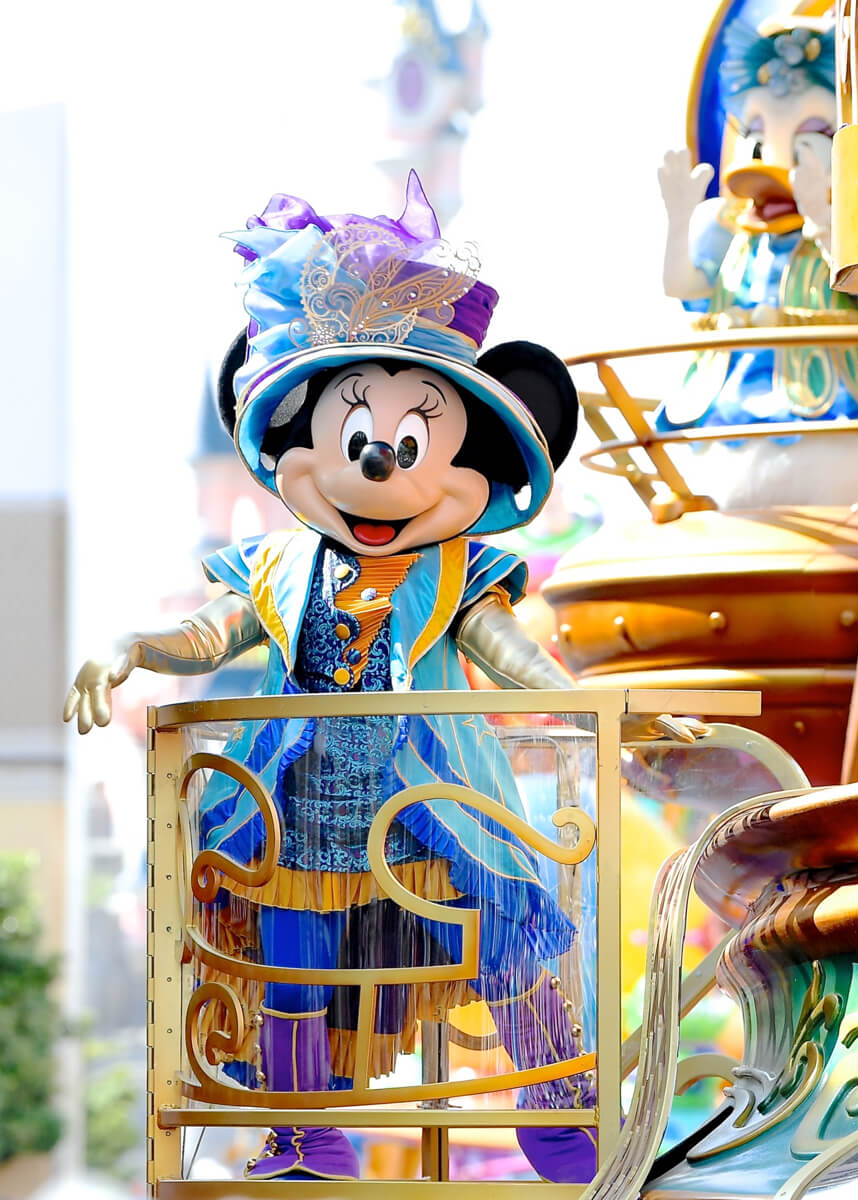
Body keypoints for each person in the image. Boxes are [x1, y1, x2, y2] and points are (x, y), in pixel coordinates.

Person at [65, 173, 597, 1184]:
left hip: (433, 793)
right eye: (358, 440)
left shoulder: (455, 567)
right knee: (289, 957)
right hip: (297, 801)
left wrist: (576, 694)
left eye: (410, 443)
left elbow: (503, 647)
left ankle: (557, 1105)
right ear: (297, 448)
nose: (381, 464)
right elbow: (211, 635)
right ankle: (309, 1131)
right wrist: (134, 646)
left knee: (508, 917)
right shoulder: (276, 566)